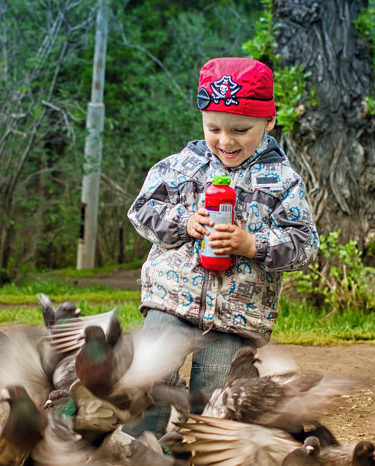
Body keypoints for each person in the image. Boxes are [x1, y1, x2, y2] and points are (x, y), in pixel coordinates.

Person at [126, 56, 319, 436]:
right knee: (147, 379)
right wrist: (185, 222)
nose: (226, 141)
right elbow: (141, 210)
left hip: (238, 315)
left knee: (216, 401)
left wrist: (254, 244)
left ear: (269, 122)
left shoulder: (283, 182)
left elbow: (305, 244)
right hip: (172, 299)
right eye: (213, 128)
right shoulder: (181, 165)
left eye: (240, 129)